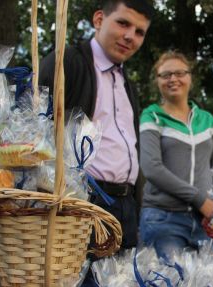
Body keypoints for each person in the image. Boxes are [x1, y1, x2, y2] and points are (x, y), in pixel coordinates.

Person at [38, 0, 154, 249]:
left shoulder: (127, 84)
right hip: (82, 202)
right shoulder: (66, 62)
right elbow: (29, 123)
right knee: (79, 286)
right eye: (123, 23)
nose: (129, 36)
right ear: (99, 19)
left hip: (126, 206)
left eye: (139, 32)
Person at [139, 51, 213, 259]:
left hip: (207, 221)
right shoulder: (152, 116)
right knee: (170, 285)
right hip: (163, 218)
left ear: (190, 78)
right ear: (157, 81)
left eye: (179, 73)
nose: (173, 79)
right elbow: (152, 168)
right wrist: (199, 199)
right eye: (165, 75)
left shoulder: (207, 120)